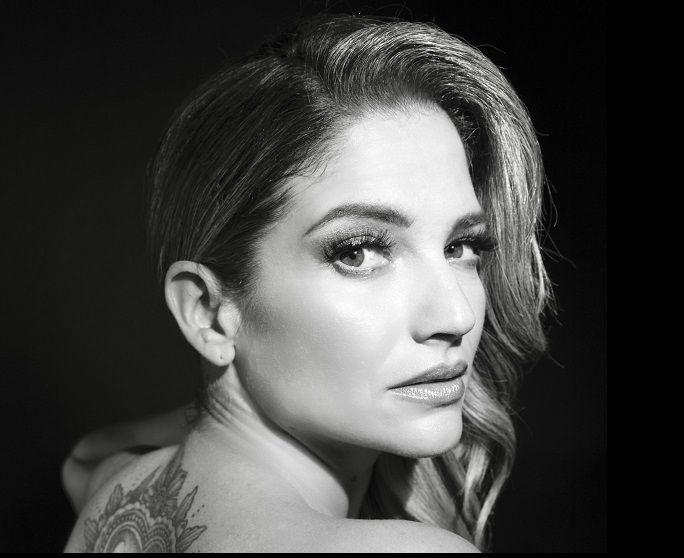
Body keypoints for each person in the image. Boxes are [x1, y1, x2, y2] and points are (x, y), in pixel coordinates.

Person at [61, 12, 551, 553]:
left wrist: (229, 394)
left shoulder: (116, 490)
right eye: (358, 252)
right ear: (208, 312)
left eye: (461, 247)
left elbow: (87, 453)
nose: (456, 316)